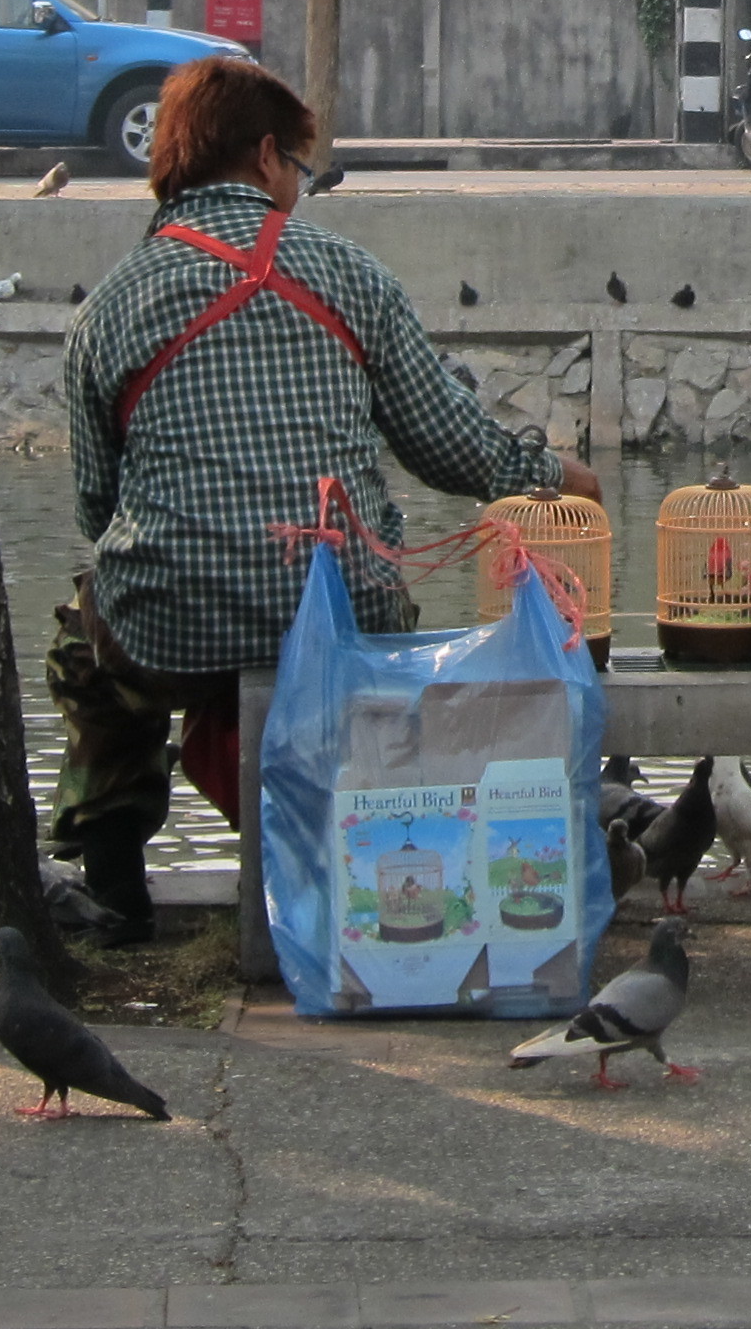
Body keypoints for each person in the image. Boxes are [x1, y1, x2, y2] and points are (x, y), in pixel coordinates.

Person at [54, 57, 589, 943]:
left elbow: (95, 509)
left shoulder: (107, 306)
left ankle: (115, 890)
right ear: (266, 156)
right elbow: (450, 448)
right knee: (373, 593)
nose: (298, 187)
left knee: (85, 647)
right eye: (299, 168)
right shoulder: (349, 275)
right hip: (344, 618)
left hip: (171, 631)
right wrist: (557, 477)